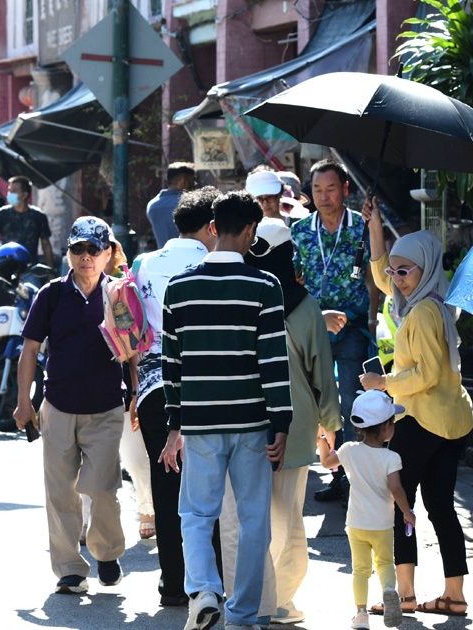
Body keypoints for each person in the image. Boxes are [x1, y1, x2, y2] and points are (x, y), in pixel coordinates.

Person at [159, 190, 291, 630]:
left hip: (199, 422)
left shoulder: (179, 288)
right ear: (251, 231)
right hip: (252, 421)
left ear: (212, 228)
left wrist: (174, 424)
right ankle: (243, 615)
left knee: (197, 515)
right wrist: (281, 421)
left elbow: (171, 366)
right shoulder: (265, 286)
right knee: (253, 520)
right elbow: (273, 362)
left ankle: (203, 591)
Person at [219, 216, 343, 625]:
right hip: (297, 423)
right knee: (287, 517)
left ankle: (251, 597)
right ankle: (281, 601)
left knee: (247, 517)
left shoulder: (239, 295)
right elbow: (322, 374)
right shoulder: (305, 305)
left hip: (243, 417)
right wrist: (331, 426)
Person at [363, 203, 473, 617]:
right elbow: (382, 275)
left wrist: (383, 383)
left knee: (400, 503)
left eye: (405, 271)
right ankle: (454, 596)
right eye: (395, 271)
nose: (397, 279)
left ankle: (405, 595)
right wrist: (375, 227)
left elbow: (425, 374)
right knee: (441, 506)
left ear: (424, 269)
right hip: (450, 421)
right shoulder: (434, 299)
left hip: (423, 419)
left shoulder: (423, 311)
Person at [13, 216, 129, 596]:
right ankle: (70, 569)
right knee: (60, 491)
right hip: (59, 406)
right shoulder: (51, 294)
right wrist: (24, 402)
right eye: (78, 249)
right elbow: (30, 349)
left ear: (108, 253)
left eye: (94, 249)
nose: (85, 257)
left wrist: (137, 397)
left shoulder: (118, 294)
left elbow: (133, 351)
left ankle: (107, 552)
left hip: (106, 407)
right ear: (68, 254)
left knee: (102, 487)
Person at [131, 187, 217, 607]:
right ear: (211, 227)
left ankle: (172, 582)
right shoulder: (212, 264)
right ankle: (209, 580)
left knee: (165, 486)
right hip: (204, 385)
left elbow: (130, 328)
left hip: (152, 386)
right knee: (208, 489)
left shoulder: (143, 264)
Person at [290, 159, 377, 504]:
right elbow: (294, 280)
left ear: (345, 189)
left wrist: (373, 319)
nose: (324, 197)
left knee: (353, 400)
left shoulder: (361, 226)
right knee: (322, 403)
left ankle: (357, 476)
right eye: (317, 190)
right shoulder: (300, 231)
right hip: (314, 329)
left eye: (330, 189)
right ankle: (336, 472)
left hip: (353, 326)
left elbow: (375, 275)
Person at [317, 390, 415, 630]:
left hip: (356, 523)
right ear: (386, 428)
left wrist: (321, 441)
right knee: (385, 563)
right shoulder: (391, 457)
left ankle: (361, 615)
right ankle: (389, 590)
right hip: (382, 524)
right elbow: (396, 489)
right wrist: (407, 512)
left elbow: (327, 463)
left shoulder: (349, 450)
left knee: (360, 570)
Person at [0, 176, 54, 267]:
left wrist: (50, 268)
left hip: (30, 267)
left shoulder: (38, 216)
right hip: (5, 265)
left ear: (25, 195)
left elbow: (46, 244)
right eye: (9, 190)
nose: (9, 194)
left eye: (13, 191)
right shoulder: (1, 214)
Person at [146, 162, 196, 247]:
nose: (195, 184)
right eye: (192, 180)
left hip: (162, 253)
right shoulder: (191, 204)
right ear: (182, 181)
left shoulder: (152, 205)